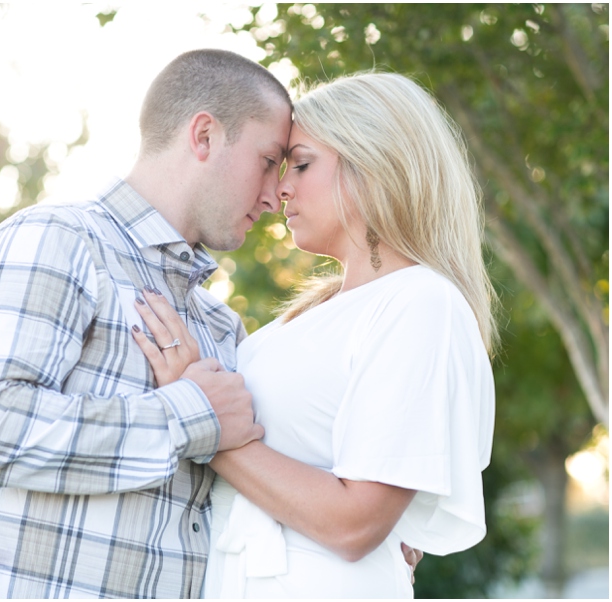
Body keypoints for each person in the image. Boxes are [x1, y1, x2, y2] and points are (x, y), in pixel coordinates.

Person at [0, 48, 292, 598]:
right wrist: (187, 415)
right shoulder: (57, 239)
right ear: (205, 136)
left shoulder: (220, 325)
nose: (274, 196)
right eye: (268, 160)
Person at [131, 71, 497, 598]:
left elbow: (355, 524)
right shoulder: (310, 315)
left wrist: (207, 426)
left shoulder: (420, 302)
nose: (281, 187)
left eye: (302, 164)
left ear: (374, 163)